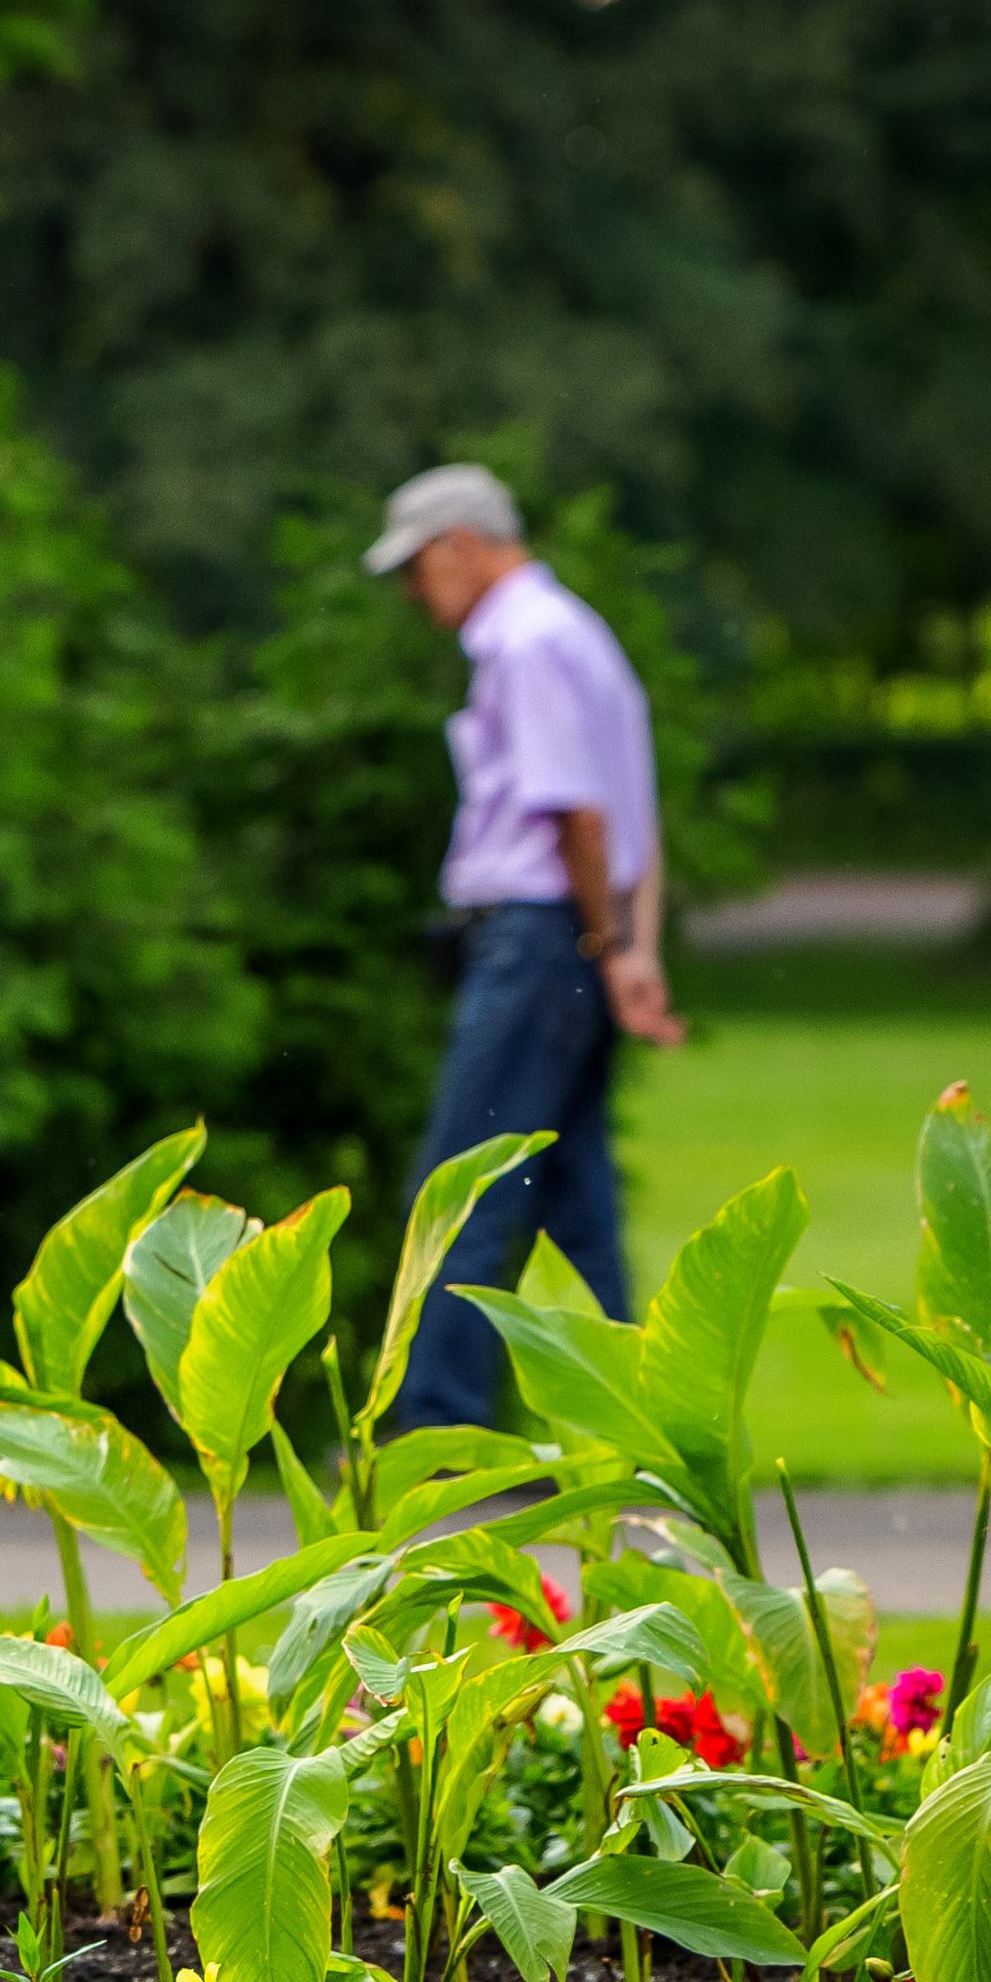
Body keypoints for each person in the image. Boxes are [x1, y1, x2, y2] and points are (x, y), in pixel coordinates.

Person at [364, 461, 687, 1433]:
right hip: (572, 939)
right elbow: (634, 813)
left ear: (460, 543)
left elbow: (577, 814)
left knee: (461, 1187)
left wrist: (601, 941)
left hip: (538, 939)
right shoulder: (574, 632)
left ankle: (433, 1433)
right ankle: (635, 1425)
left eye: (416, 570)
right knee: (574, 1202)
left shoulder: (523, 640)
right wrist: (630, 947)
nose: (416, 597)